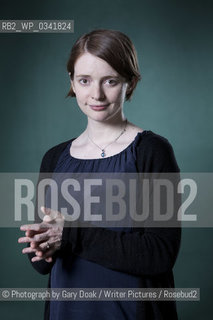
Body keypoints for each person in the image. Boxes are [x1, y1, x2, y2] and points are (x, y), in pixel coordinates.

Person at [18, 29, 181, 320]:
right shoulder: (54, 158)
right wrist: (40, 245)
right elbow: (42, 264)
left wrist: (70, 233)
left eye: (110, 80)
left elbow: (159, 254)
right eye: (85, 81)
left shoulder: (152, 151)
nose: (97, 94)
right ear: (72, 82)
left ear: (130, 83)